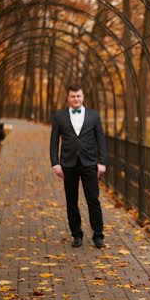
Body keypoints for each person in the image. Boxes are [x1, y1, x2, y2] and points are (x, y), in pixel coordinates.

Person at [50, 85, 107, 248]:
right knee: (71, 201)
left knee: (93, 200)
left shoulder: (94, 116)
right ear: (68, 98)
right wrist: (55, 163)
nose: (76, 99)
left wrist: (102, 162)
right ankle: (76, 234)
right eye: (73, 96)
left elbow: (101, 140)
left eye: (78, 96)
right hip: (68, 164)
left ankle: (98, 235)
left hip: (89, 163)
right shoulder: (59, 116)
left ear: (83, 97)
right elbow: (54, 142)